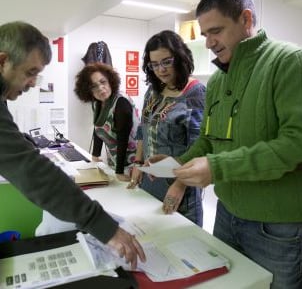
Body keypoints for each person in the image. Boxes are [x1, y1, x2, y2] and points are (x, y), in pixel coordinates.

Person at [164, 0, 302, 289]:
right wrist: (176, 163)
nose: (210, 43)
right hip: (228, 215)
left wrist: (218, 168)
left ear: (247, 19)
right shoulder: (216, 81)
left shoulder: (288, 61)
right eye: (205, 35)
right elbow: (210, 141)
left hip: (279, 226)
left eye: (217, 31)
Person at [0, 21, 145, 268]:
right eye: (30, 72)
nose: (33, 83)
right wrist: (103, 226)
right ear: (2, 61)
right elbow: (29, 169)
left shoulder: (120, 103)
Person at [128, 30, 206, 227]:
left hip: (180, 184)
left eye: (166, 62)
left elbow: (199, 148)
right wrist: (138, 163)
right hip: (150, 179)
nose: (160, 70)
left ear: (179, 58)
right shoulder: (153, 91)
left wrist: (180, 185)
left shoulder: (195, 94)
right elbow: (142, 129)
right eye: (154, 65)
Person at [74, 63, 139, 182]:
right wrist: (95, 155)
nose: (100, 88)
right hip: (115, 162)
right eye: (94, 86)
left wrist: (119, 172)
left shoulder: (121, 103)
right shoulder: (97, 102)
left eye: (102, 82)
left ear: (110, 80)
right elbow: (98, 127)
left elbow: (122, 139)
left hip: (131, 164)